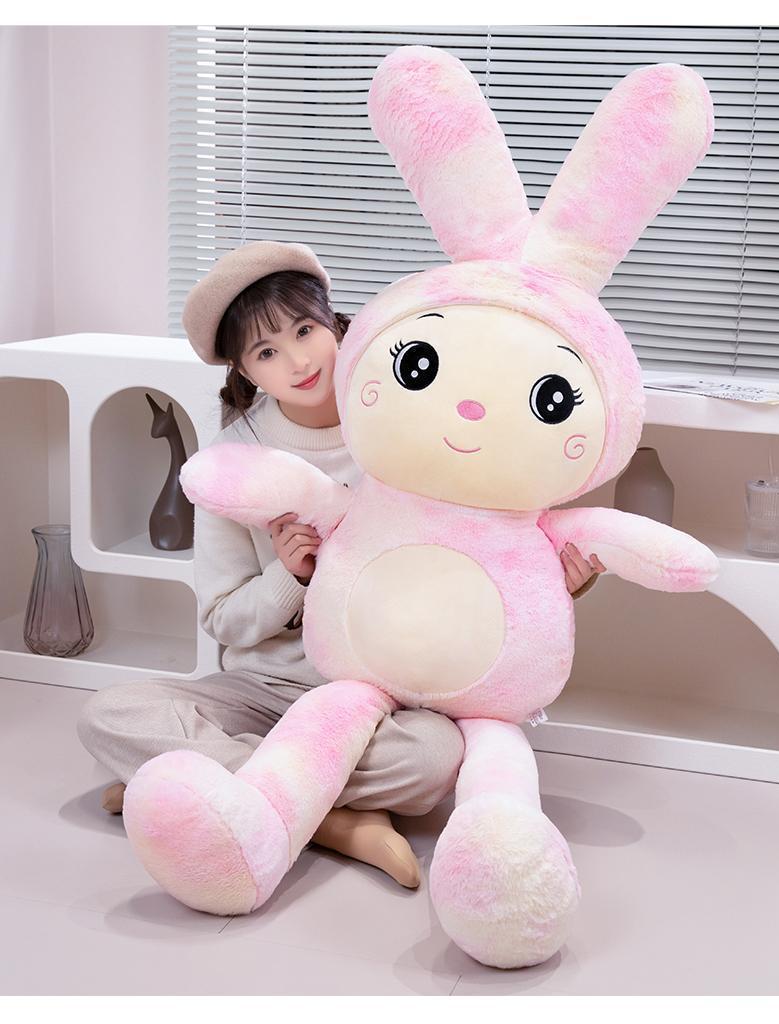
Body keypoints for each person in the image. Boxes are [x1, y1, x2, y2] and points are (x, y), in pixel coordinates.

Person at [77, 241, 605, 889]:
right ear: (244, 371)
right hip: (267, 690)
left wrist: (557, 582)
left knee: (435, 758)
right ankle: (334, 822)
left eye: (305, 331)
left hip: (386, 696)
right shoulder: (235, 459)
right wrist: (290, 576)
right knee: (109, 714)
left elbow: (476, 559)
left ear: (335, 323)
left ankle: (230, 788)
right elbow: (224, 620)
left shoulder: (410, 419)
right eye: (266, 352)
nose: (297, 361)